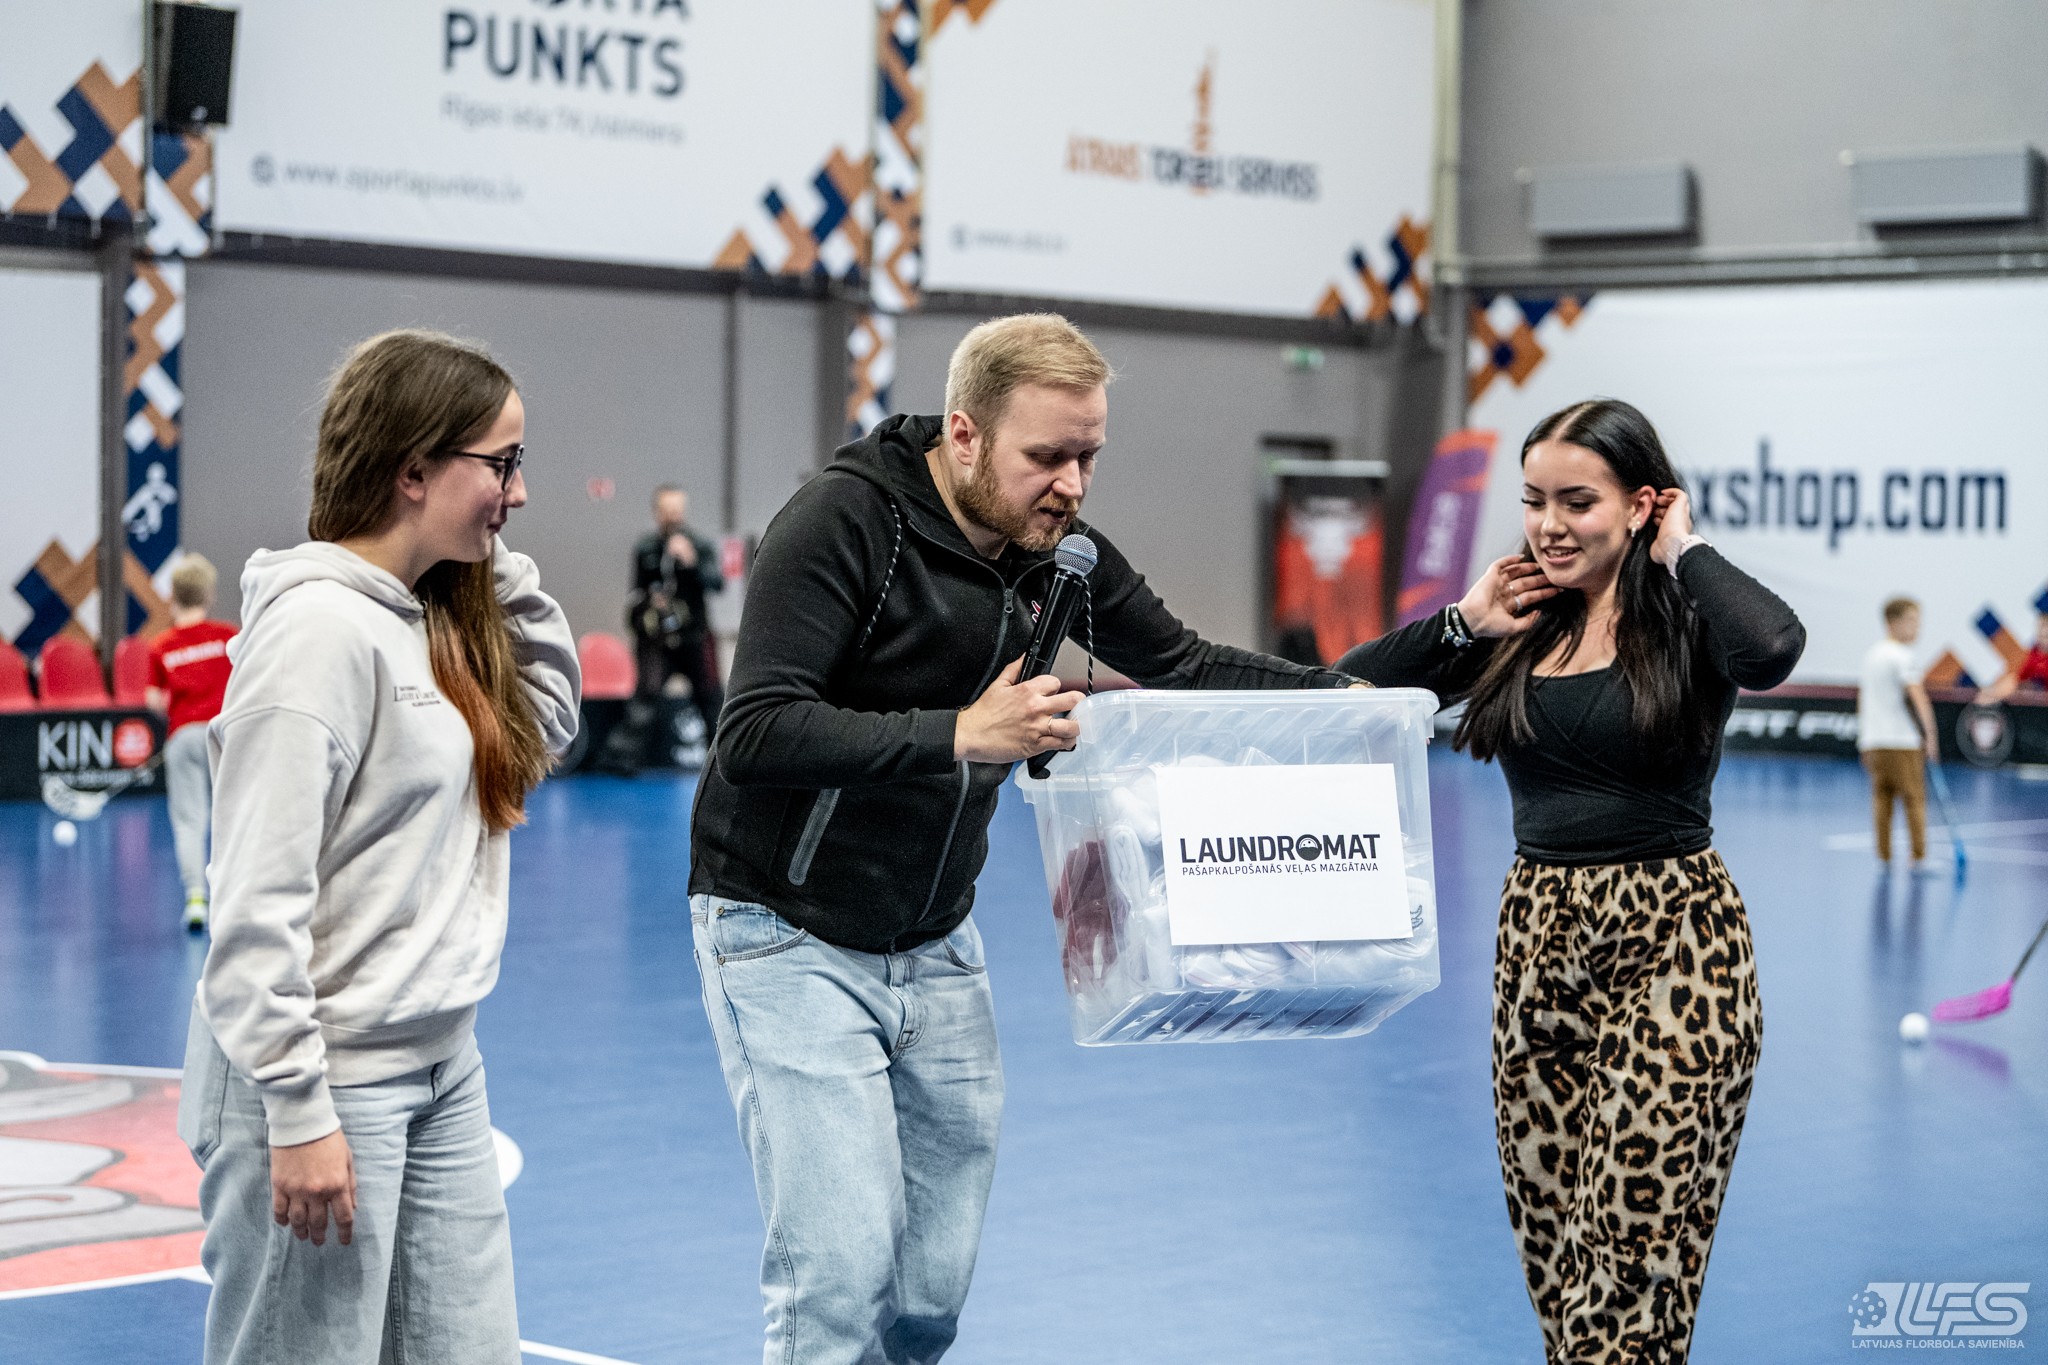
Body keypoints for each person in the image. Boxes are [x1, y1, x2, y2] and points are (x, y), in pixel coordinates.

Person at [687, 312, 1360, 1364]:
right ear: (963, 435)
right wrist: (962, 732)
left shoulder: (1058, 557)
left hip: (935, 940)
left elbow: (1187, 664)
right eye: (1046, 456)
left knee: (927, 1297)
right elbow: (756, 732)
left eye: (1088, 456)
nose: (1072, 484)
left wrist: (1382, 689)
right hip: (784, 932)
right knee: (840, 1283)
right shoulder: (842, 523)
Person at [1336, 399, 1804, 1365]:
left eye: (1577, 502)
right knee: (1558, 1270)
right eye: (1534, 500)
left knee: (1626, 1271)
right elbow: (1350, 691)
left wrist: (1686, 549)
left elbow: (1773, 647)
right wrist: (1464, 621)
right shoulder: (1522, 622)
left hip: (1675, 950)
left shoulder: (1689, 618)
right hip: (1537, 952)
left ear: (1641, 505)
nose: (1548, 525)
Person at [176, 330, 580, 1365]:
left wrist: (489, 551)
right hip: (325, 1077)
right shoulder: (316, 636)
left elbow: (543, 723)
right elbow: (254, 903)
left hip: (443, 1065)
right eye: (502, 465)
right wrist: (297, 1108)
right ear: (412, 470)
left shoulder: (428, 616)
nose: (520, 491)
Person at [147, 553, 237, 931]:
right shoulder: (228, 636)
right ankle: (235, 898)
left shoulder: (161, 646)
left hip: (183, 738)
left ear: (173, 595)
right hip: (226, 736)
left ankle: (196, 900)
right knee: (235, 817)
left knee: (189, 822)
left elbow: (154, 701)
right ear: (209, 595)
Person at [628, 484, 725, 739]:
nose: (672, 516)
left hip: (695, 635)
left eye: (677, 510)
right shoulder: (646, 548)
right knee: (644, 702)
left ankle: (722, 757)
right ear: (657, 512)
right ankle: (621, 758)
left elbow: (717, 584)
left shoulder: (700, 545)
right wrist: (651, 601)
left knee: (711, 701)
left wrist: (692, 562)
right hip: (657, 640)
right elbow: (635, 593)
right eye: (667, 511)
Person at [1857, 597, 1938, 866]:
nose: (1917, 627)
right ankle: (1919, 857)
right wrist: (1931, 737)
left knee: (1882, 799)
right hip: (1902, 742)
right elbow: (1919, 698)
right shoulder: (1903, 656)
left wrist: (1864, 741)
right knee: (1914, 799)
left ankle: (1884, 856)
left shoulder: (1871, 655)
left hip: (1874, 742)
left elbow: (1864, 702)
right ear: (1893, 623)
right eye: (1911, 621)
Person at [1979, 609, 2048, 703]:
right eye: (2041, 635)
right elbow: (2013, 680)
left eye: (2046, 636)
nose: (2043, 639)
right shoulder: (2033, 656)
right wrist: (1992, 694)